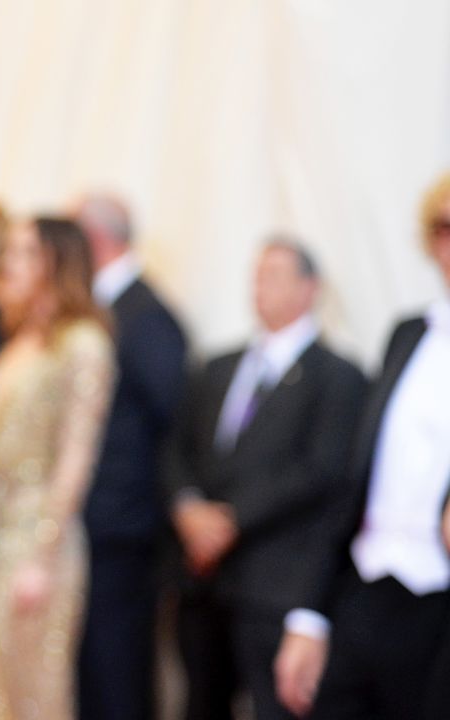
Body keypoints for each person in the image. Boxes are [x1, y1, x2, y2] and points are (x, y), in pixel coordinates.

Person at [164, 239, 366, 720]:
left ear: (309, 288)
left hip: (275, 580)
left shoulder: (336, 377)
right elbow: (177, 448)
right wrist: (189, 508)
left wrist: (232, 519)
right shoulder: (218, 367)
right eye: (256, 275)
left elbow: (322, 470)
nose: (259, 287)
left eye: (274, 275)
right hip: (202, 578)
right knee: (199, 700)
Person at [274, 173, 450, 720]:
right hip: (369, 588)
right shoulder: (408, 334)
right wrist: (309, 615)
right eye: (445, 226)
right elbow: (355, 479)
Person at [0, 216, 115, 720]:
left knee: (22, 690)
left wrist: (43, 556)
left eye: (24, 251)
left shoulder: (81, 343)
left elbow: (76, 457)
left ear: (55, 261)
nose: (9, 262)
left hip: (34, 533)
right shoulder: (20, 338)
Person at [71, 193, 187, 720]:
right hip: (92, 522)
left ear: (94, 239)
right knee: (88, 668)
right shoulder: (101, 308)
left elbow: (171, 421)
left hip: (120, 529)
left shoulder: (146, 315)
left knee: (115, 669)